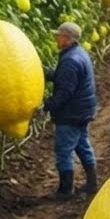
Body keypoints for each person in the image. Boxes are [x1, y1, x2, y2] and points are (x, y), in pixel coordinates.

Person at [44, 22, 98, 198]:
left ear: (67, 38)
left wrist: (47, 105)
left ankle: (65, 190)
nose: (56, 39)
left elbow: (65, 92)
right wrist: (46, 73)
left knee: (64, 150)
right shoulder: (78, 53)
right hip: (82, 110)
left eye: (58, 36)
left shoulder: (70, 60)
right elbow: (65, 78)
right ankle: (92, 183)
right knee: (82, 145)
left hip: (71, 113)